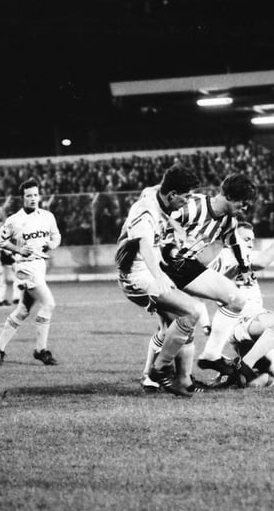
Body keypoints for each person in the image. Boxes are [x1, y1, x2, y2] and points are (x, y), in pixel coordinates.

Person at [116, 164, 203, 396]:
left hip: (146, 273)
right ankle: (159, 370)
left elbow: (154, 187)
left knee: (179, 326)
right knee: (194, 311)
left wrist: (173, 225)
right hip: (136, 277)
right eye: (185, 197)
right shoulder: (145, 211)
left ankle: (179, 381)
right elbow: (144, 244)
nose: (187, 202)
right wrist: (159, 275)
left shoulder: (156, 196)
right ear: (172, 194)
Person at [159, 174, 256, 378]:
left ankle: (211, 356)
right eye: (243, 202)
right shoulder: (194, 205)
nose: (246, 208)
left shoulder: (229, 220)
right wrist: (169, 247)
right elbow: (164, 222)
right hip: (162, 268)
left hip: (187, 267)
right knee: (173, 328)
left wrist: (245, 267)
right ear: (229, 196)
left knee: (236, 299)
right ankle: (154, 376)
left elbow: (235, 241)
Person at [206, 221, 274, 388]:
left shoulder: (238, 255)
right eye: (246, 239)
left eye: (252, 240)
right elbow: (262, 261)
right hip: (244, 320)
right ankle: (242, 367)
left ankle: (229, 374)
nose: (250, 244)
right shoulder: (229, 255)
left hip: (242, 329)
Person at [0, 178, 61, 366]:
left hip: (40, 266)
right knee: (49, 304)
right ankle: (41, 350)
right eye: (29, 196)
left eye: (36, 195)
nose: (33, 199)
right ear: (23, 198)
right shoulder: (14, 220)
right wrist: (19, 250)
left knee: (23, 310)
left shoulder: (47, 216)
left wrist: (52, 243)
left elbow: (56, 235)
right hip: (25, 267)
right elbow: (0, 242)